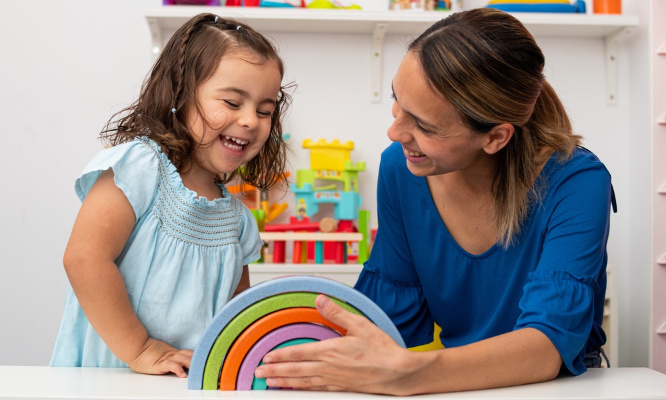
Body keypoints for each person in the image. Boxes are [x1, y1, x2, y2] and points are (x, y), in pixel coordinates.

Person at [254, 7, 615, 395]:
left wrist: (410, 374)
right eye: (397, 102)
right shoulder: (400, 169)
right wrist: (287, 346)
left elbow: (547, 346)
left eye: (424, 125)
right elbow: (389, 320)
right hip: (452, 387)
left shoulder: (578, 182)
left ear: (495, 137)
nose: (394, 132)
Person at [50, 13, 291, 378]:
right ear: (179, 95)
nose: (250, 121)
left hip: (185, 382)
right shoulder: (139, 167)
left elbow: (234, 317)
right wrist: (141, 349)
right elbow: (84, 259)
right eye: (231, 102)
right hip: (108, 377)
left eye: (264, 111)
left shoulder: (237, 221)